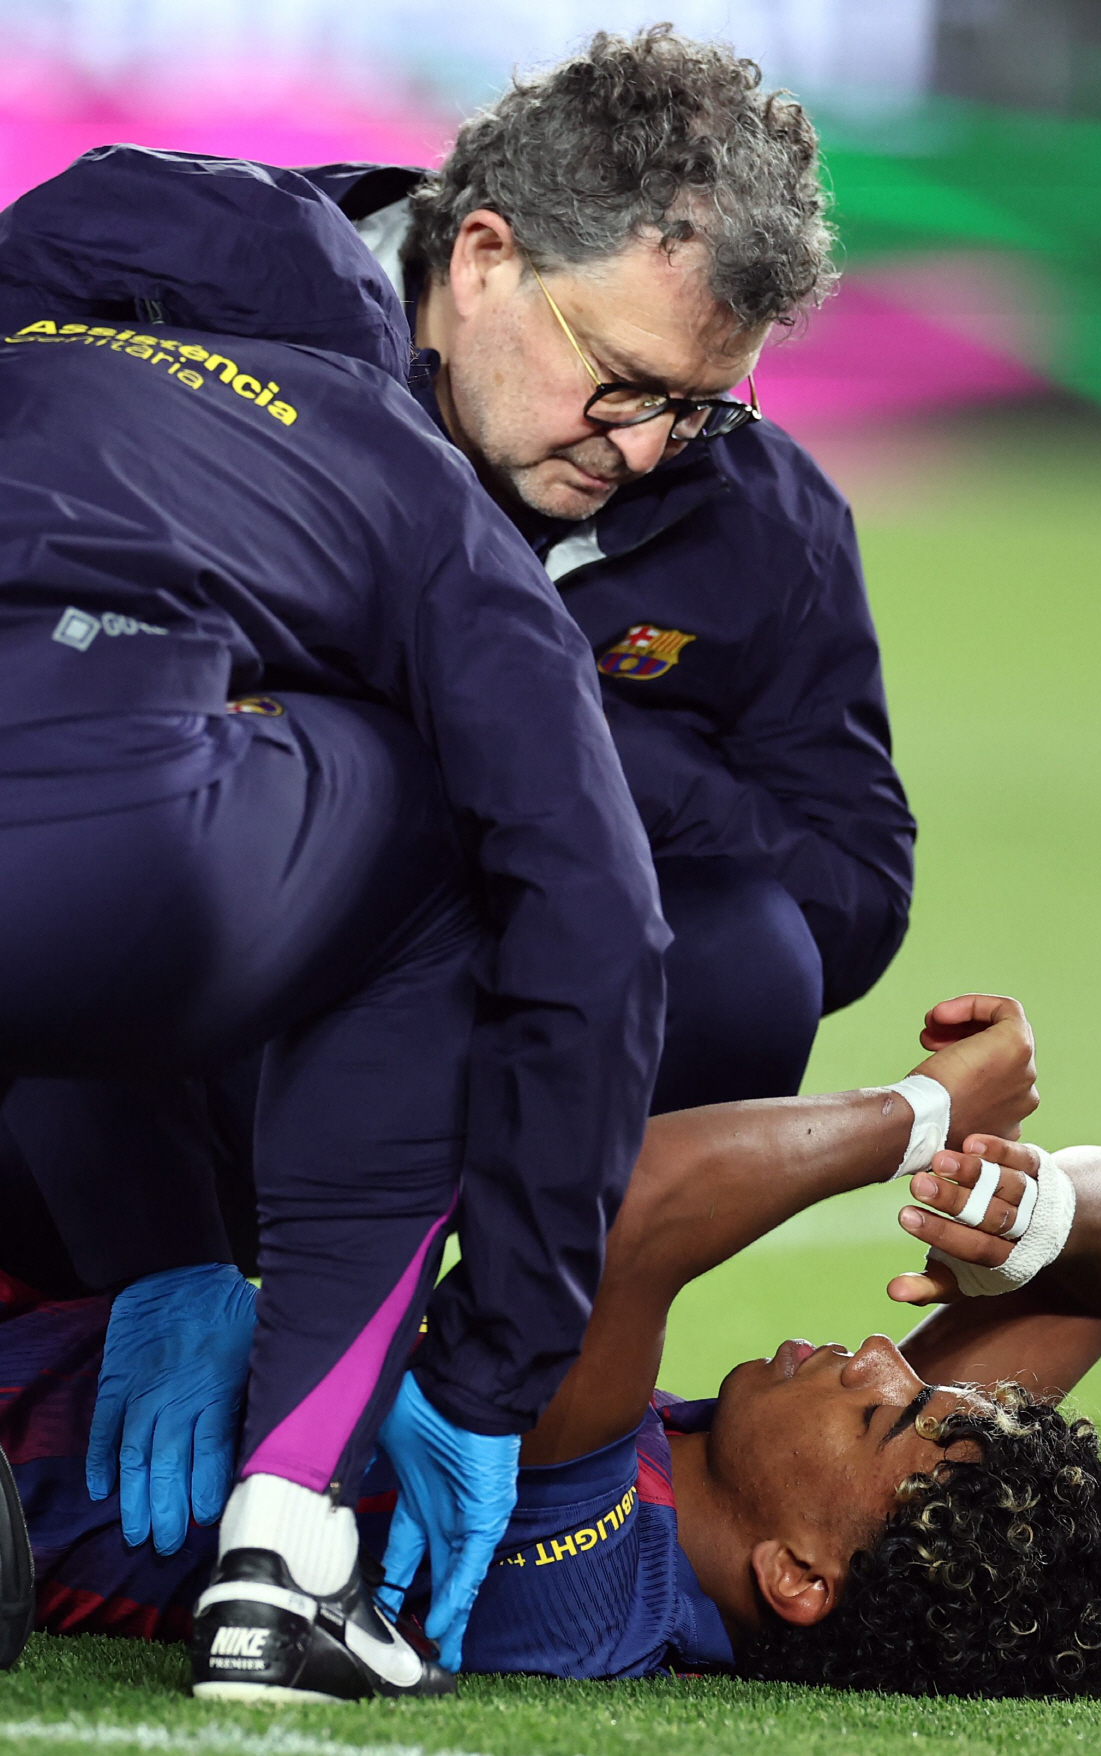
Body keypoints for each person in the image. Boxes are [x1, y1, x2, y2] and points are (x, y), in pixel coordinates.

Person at [0, 141, 668, 1695]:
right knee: (454, 845)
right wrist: (493, 1370)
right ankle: (286, 1545)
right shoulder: (401, 466)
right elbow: (602, 921)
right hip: (111, 865)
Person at [0, 996, 1101, 1696]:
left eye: (886, 1409)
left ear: (797, 1577)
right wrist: (1040, 1217)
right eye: (922, 1384)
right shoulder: (871, 1513)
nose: (886, 1353)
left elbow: (617, 1212)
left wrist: (917, 1113)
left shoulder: (593, 1578)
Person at [307, 24, 916, 1111]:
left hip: (489, 958)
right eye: (625, 381)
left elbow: (853, 898)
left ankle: (551, 1283)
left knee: (742, 960)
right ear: (486, 255)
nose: (643, 447)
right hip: (205, 913)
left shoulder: (760, 508)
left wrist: (566, 740)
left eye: (699, 403)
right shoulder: (222, 332)